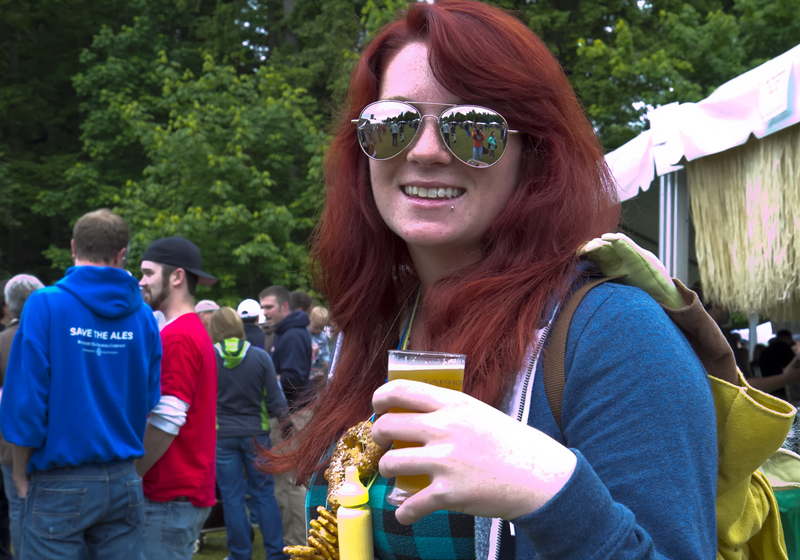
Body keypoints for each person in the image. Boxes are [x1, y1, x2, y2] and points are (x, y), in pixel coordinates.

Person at [264, 2, 717, 559]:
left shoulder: (617, 333)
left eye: (473, 127)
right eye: (392, 124)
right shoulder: (380, 324)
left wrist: (547, 491)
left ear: (535, 154)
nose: (425, 151)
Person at [0, 210, 162, 560]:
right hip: (123, 478)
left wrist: (18, 472)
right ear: (122, 254)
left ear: (73, 247)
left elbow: (26, 401)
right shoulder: (144, 316)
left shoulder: (45, 304)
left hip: (59, 479)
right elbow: (149, 398)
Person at [137, 236, 218, 560]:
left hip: (168, 495)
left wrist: (132, 474)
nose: (141, 281)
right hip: (179, 492)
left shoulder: (179, 337)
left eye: (147, 272)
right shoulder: (190, 330)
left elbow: (168, 417)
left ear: (177, 277)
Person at [209, 307, 290, 560]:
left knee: (232, 498)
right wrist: (288, 426)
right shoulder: (260, 357)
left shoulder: (209, 357)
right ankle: (275, 554)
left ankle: (239, 554)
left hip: (222, 436)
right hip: (257, 434)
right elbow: (276, 400)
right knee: (264, 495)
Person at [0, 274, 44, 558]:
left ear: (8, 305)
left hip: (7, 445)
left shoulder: (2, 341)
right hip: (48, 443)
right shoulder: (52, 338)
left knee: (18, 509)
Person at [261, 286, 312, 409]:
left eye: (269, 307)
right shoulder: (283, 331)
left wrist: (263, 378)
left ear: (284, 306)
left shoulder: (292, 335)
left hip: (295, 413)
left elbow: (293, 380)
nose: (264, 312)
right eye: (262, 307)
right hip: (287, 411)